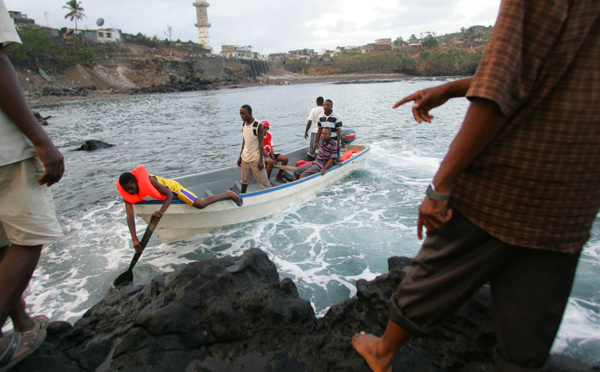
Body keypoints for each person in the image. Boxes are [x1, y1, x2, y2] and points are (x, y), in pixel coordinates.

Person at [352, 1, 600, 371]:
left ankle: (383, 351)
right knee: (525, 345)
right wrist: (452, 88)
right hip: (573, 193)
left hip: (507, 180)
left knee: (437, 267)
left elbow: (500, 88)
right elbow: (554, 74)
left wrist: (440, 187)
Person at [0, 1, 63, 368]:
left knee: (4, 239)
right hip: (5, 150)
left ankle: (21, 323)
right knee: (28, 238)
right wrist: (40, 139)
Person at [117, 166, 242, 253]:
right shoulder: (129, 195)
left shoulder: (150, 180)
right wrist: (134, 239)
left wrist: (161, 212)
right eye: (126, 189)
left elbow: (170, 195)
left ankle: (229, 194)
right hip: (164, 197)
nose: (130, 191)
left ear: (135, 181)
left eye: (131, 187)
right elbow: (129, 215)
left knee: (200, 204)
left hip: (175, 190)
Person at [237, 105, 272, 193]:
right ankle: (243, 196)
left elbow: (261, 144)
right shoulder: (244, 124)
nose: (242, 116)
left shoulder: (257, 125)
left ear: (250, 113)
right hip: (245, 157)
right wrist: (240, 157)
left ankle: (271, 195)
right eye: (241, 114)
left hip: (255, 158)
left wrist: (261, 160)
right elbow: (244, 141)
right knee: (244, 180)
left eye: (244, 114)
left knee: (264, 182)